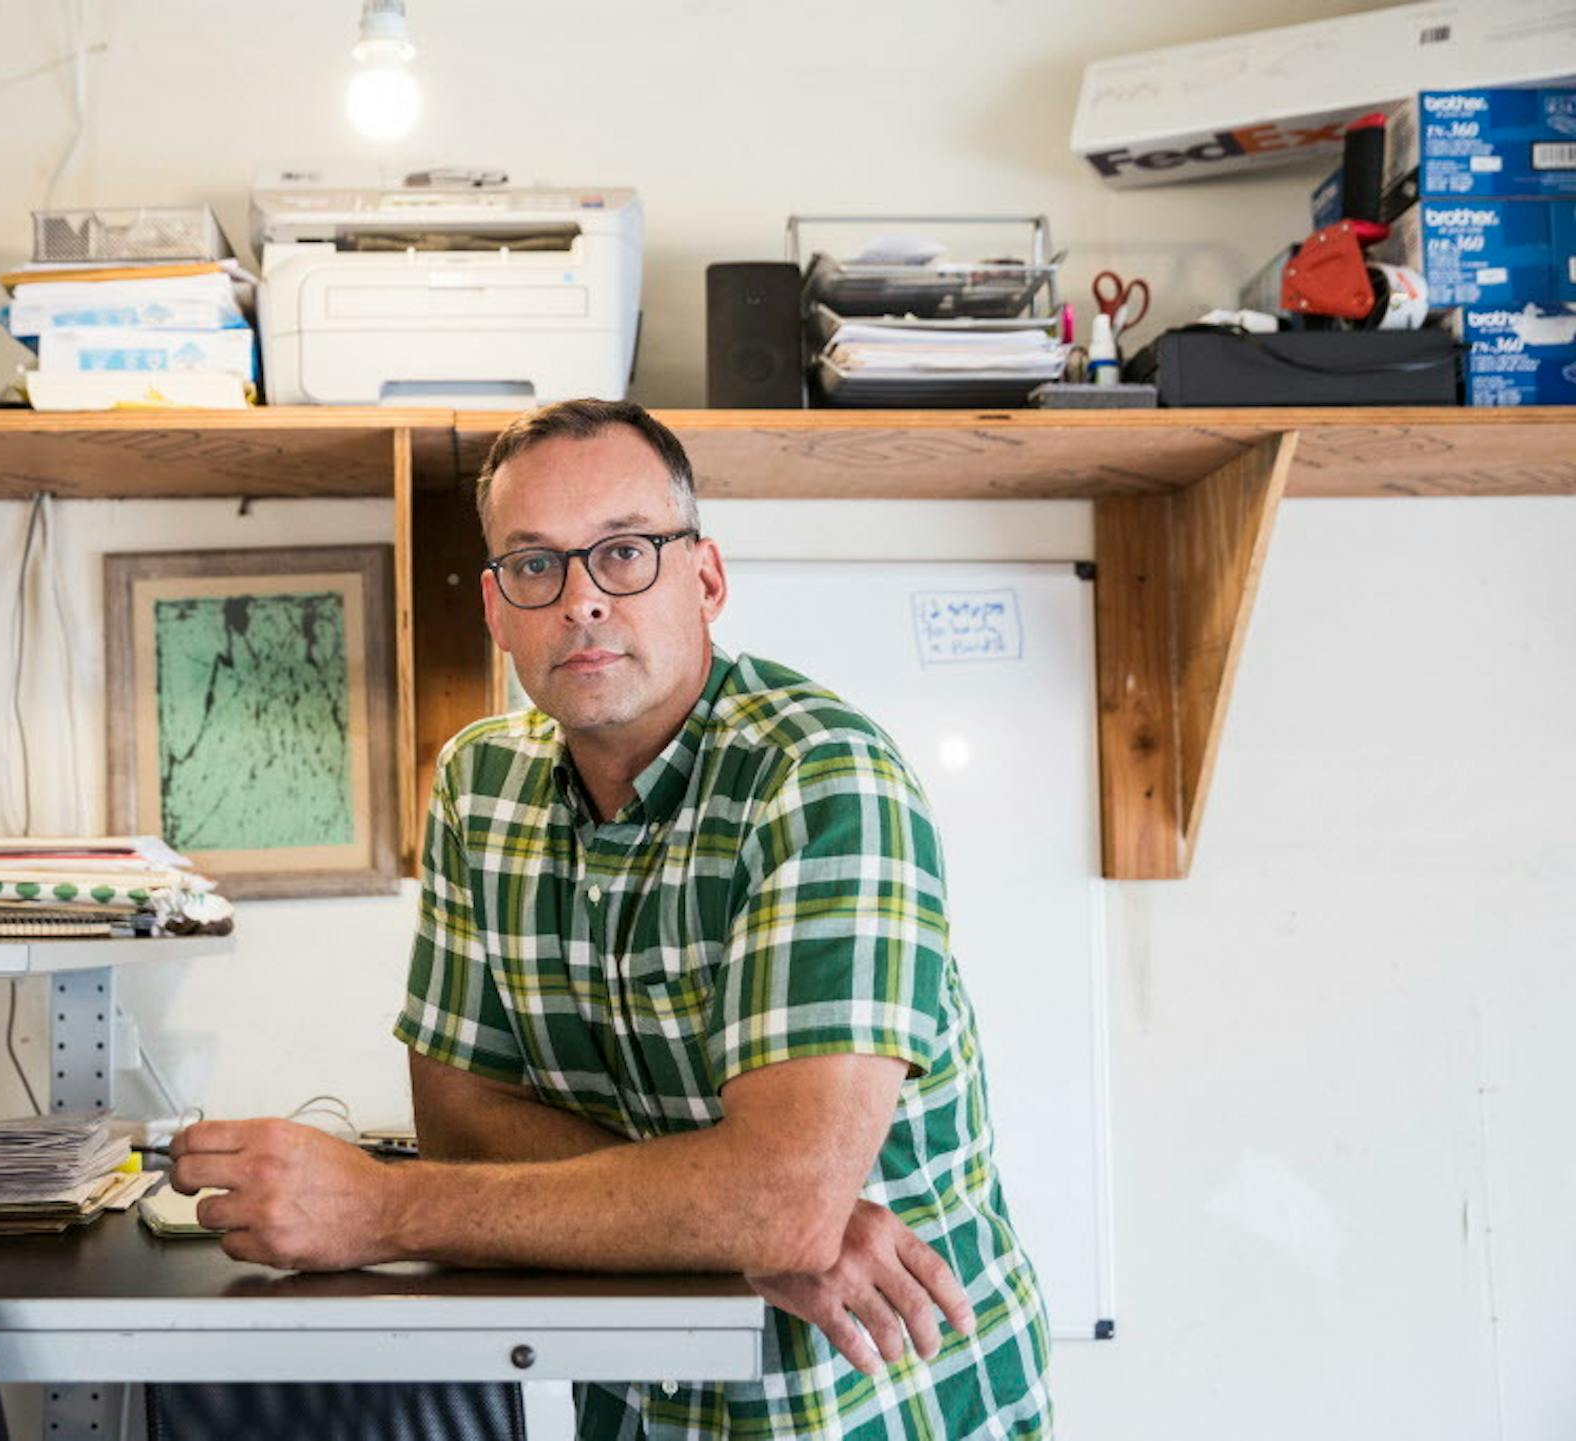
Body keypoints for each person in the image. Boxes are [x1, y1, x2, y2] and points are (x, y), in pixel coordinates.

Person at [170, 398, 1051, 1438]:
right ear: (497, 610)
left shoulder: (820, 778)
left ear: (706, 579)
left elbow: (779, 1203)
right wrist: (723, 1214)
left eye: (625, 552)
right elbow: (459, 1118)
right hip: (636, 1397)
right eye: (536, 566)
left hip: (870, 1400)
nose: (581, 600)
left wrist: (379, 1207)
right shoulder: (476, 785)